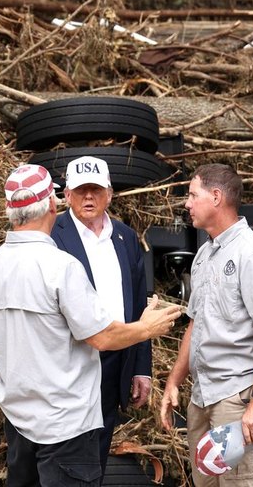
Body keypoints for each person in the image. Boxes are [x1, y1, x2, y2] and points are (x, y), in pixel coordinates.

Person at [0, 164, 181, 487]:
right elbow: (101, 336)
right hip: (66, 424)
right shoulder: (61, 267)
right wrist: (147, 328)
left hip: (18, 419)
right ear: (56, 204)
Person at [159, 164, 253, 487]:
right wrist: (174, 381)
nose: (186, 203)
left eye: (192, 195)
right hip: (203, 399)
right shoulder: (203, 256)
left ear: (216, 197)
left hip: (236, 400)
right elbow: (195, 324)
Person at [49, 155, 150, 473]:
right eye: (80, 190)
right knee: (66, 457)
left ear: (109, 193)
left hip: (115, 360)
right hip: (70, 361)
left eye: (95, 190)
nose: (88, 197)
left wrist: (141, 368)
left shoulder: (126, 237)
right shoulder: (52, 235)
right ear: (67, 195)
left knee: (99, 453)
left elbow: (139, 307)